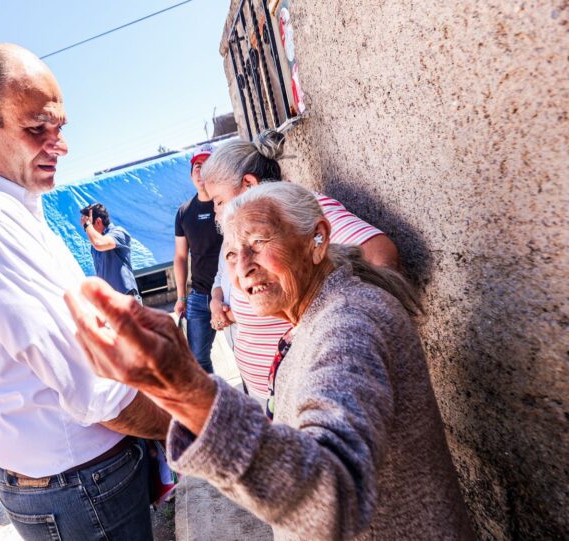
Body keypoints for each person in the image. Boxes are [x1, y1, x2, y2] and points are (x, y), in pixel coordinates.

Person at [65, 182, 473, 540]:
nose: (243, 268)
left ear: (317, 240)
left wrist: (184, 387)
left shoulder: (348, 324)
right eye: (231, 254)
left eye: (259, 243)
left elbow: (332, 500)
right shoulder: (314, 316)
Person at [0, 44, 169, 541]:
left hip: (82, 480)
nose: (59, 145)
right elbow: (95, 388)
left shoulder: (10, 208)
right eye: (38, 128)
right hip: (82, 485)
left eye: (60, 128)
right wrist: (193, 422)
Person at [202, 129, 400, 398]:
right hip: (275, 390)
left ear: (248, 184)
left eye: (219, 201)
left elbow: (379, 253)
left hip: (310, 388)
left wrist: (346, 328)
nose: (216, 212)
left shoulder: (299, 210)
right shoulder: (249, 230)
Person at [174, 143, 222, 373]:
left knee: (244, 352)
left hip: (232, 294)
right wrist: (181, 297)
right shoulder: (184, 212)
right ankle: (216, 406)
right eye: (197, 166)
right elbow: (181, 257)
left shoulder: (226, 202)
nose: (202, 172)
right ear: (191, 173)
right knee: (198, 361)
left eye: (208, 166)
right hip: (199, 297)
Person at [80, 203, 141, 304]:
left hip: (126, 299)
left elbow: (99, 243)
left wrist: (87, 225)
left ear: (98, 222)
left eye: (87, 226)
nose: (86, 231)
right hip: (109, 302)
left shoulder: (118, 233)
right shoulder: (94, 246)